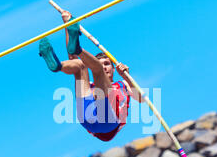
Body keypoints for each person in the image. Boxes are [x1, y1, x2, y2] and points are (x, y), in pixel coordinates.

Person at [39, 10, 143, 142]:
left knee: (95, 70)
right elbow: (72, 58)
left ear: (113, 68)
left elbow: (140, 98)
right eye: (102, 63)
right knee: (79, 66)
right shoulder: (91, 86)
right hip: (87, 118)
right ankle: (57, 66)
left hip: (108, 125)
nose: (105, 66)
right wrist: (67, 24)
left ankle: (77, 50)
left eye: (107, 63)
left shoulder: (123, 84)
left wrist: (126, 76)